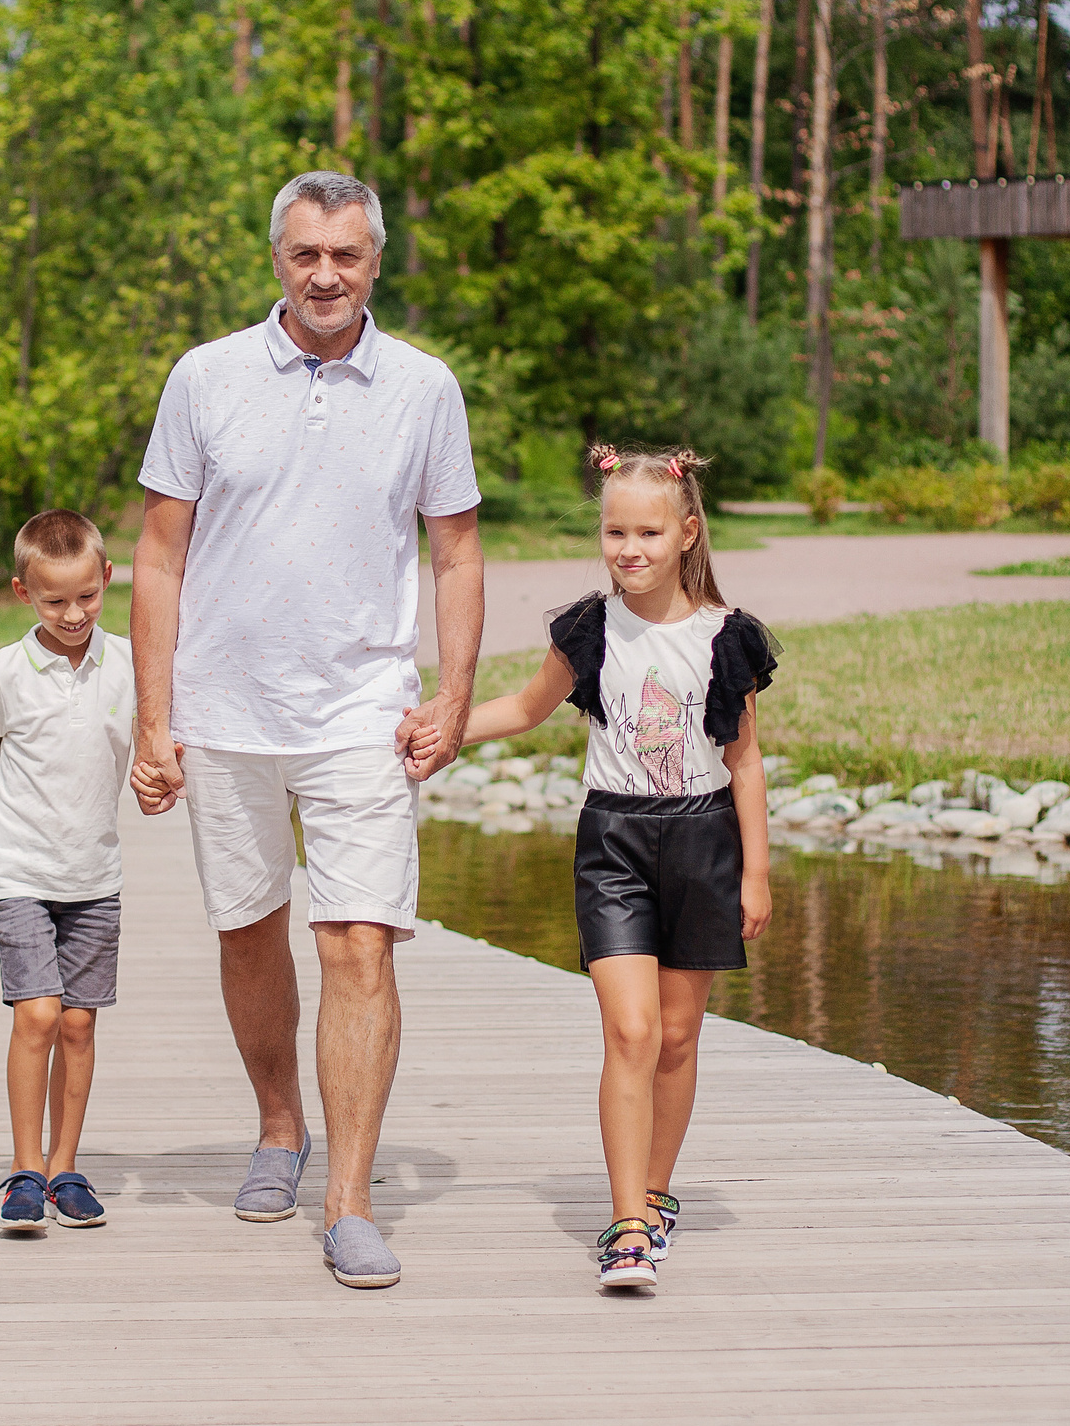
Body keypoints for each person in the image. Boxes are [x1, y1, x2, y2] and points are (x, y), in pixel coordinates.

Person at [128, 170, 484, 1290]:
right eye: (303, 255)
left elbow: (458, 552)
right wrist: (151, 719)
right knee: (249, 931)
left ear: (376, 261)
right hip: (224, 705)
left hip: (361, 711)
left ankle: (349, 1199)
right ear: (276, 260)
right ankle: (279, 1128)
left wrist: (455, 698)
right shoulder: (206, 377)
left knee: (358, 941)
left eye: (345, 254)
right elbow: (156, 554)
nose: (324, 274)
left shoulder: (425, 387)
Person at [423, 445, 775, 1290]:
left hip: (704, 842)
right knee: (632, 1030)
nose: (630, 548)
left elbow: (747, 759)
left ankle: (655, 1192)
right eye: (616, 530)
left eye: (649, 531)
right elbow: (524, 705)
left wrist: (755, 873)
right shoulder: (589, 628)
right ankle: (625, 1226)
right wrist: (443, 723)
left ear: (687, 530)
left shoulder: (728, 638)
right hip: (613, 841)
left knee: (679, 1036)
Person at [0, 510, 136, 1234]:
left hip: (94, 871)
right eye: (53, 600)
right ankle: (25, 1169)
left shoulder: (129, 661)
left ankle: (67, 1166)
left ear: (107, 578)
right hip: (20, 870)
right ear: (22, 592)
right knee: (36, 1012)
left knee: (77, 1022)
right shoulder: (2, 673)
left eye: (86, 597)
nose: (73, 614)